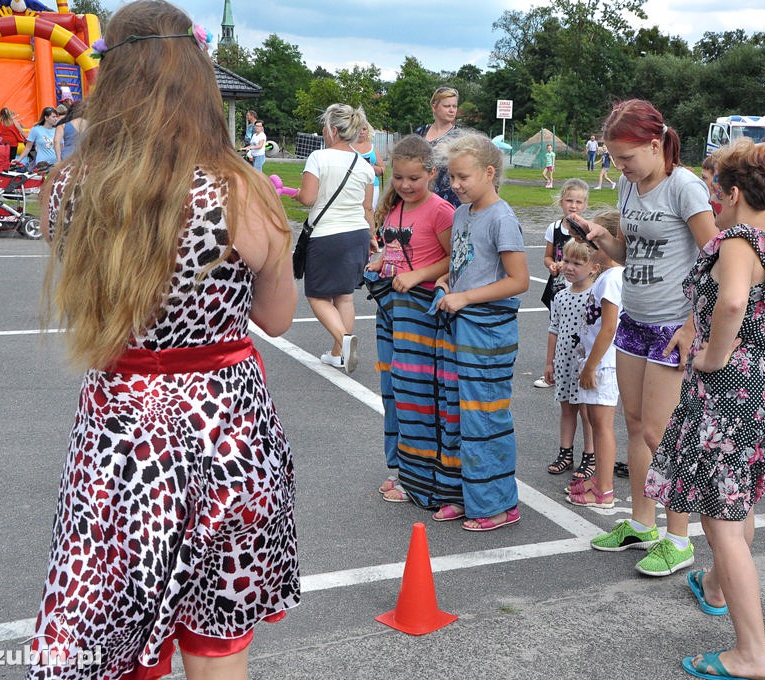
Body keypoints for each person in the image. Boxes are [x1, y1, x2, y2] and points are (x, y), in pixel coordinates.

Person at [30, 2, 299, 679]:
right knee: (216, 642)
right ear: (198, 76)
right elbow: (277, 319)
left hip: (122, 439)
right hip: (227, 432)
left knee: (114, 627)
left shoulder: (68, 189)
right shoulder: (245, 194)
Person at [644, 139, 765, 680]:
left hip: (730, 395)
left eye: (712, 189)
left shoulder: (736, 240)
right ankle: (713, 585)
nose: (709, 198)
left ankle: (752, 653)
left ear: (732, 193)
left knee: (722, 525)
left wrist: (716, 354)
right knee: (738, 508)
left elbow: (731, 303)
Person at [576, 99, 718, 577]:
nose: (620, 166)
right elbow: (627, 251)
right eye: (615, 158)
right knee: (635, 425)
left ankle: (679, 538)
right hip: (634, 320)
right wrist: (601, 238)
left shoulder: (685, 187)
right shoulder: (627, 185)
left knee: (665, 434)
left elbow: (716, 262)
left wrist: (693, 326)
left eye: (626, 157)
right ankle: (643, 523)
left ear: (655, 146)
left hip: (672, 327)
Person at [433, 132, 529, 531]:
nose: (455, 186)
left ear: (490, 173)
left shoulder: (502, 217)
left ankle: (498, 505)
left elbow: (518, 280)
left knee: (485, 419)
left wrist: (466, 298)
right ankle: (467, 494)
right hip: (462, 327)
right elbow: (462, 266)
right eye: (451, 177)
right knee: (457, 415)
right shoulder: (461, 214)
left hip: (488, 334)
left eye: (462, 177)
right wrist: (445, 283)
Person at [365, 134, 454, 506]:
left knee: (421, 398)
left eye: (414, 179)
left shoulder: (441, 211)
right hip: (393, 315)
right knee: (397, 395)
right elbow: (396, 251)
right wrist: (382, 263)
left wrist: (418, 276)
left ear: (432, 174)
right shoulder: (394, 207)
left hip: (422, 318)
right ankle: (405, 468)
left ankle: (424, 477)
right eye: (398, 178)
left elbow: (457, 260)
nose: (404, 185)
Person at [295, 103, 376, 373]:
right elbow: (367, 208)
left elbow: (308, 198)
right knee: (345, 297)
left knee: (318, 296)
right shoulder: (363, 164)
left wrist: (293, 193)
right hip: (357, 234)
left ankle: (344, 340)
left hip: (328, 234)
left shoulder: (319, 157)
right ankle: (338, 353)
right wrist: (373, 235)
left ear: (332, 129)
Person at [564, 213, 623, 510]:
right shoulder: (607, 276)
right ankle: (600, 479)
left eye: (592, 239)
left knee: (602, 426)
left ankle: (604, 489)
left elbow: (610, 327)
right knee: (596, 422)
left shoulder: (612, 278)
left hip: (603, 363)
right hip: (597, 360)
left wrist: (590, 365)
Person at [542, 237, 596, 481]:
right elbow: (554, 328)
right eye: (566, 260)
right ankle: (565, 452)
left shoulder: (595, 295)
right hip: (564, 362)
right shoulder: (561, 295)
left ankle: (590, 455)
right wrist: (549, 362)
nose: (569, 267)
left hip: (584, 364)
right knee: (567, 408)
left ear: (593, 267)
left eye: (577, 263)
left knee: (587, 412)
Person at [535, 178, 589, 390]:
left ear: (585, 205)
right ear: (561, 202)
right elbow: (547, 257)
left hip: (580, 287)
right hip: (558, 286)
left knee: (580, 328)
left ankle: (579, 368)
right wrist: (552, 266)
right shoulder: (555, 228)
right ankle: (553, 369)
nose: (573, 206)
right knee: (556, 327)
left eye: (578, 202)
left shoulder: (587, 228)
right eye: (569, 201)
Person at [416, 86, 462, 208]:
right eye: (447, 106)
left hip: (448, 199)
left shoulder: (459, 137)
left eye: (455, 106)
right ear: (434, 106)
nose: (452, 110)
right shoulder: (420, 132)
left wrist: (450, 155)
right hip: (419, 194)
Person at [355, 122, 385, 210]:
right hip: (355, 185)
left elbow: (382, 169)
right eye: (359, 129)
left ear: (368, 131)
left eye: (364, 129)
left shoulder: (373, 148)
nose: (361, 132)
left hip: (373, 185)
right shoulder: (348, 147)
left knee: (370, 210)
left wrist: (372, 168)